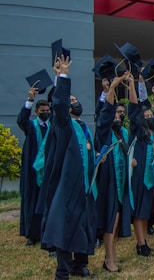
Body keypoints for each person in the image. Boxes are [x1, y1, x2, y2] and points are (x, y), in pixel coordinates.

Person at [38, 55, 99, 279]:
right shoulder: (62, 124)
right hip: (67, 184)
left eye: (75, 100)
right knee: (65, 225)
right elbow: (60, 103)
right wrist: (61, 76)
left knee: (84, 223)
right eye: (70, 100)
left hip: (84, 183)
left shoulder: (81, 126)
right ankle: (62, 269)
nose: (74, 102)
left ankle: (80, 265)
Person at [95, 72, 136, 272]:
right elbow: (105, 113)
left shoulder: (124, 133)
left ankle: (113, 253)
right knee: (111, 219)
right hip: (109, 182)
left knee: (118, 219)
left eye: (120, 114)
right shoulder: (104, 132)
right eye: (115, 113)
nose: (118, 116)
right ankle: (108, 259)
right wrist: (112, 87)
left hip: (122, 183)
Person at [129, 82, 154, 256]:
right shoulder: (137, 132)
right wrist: (131, 85)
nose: (150, 117)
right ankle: (141, 244)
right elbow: (134, 110)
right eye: (147, 115)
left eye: (151, 115)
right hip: (140, 178)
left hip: (152, 178)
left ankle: (143, 241)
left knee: (145, 213)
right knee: (139, 212)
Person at [17, 87, 50, 248]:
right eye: (43, 110)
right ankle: (32, 234)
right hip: (33, 171)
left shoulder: (53, 128)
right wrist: (30, 100)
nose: (46, 112)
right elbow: (21, 120)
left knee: (47, 204)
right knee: (32, 202)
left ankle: (46, 233)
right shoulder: (31, 127)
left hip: (48, 171)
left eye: (47, 110)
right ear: (37, 112)